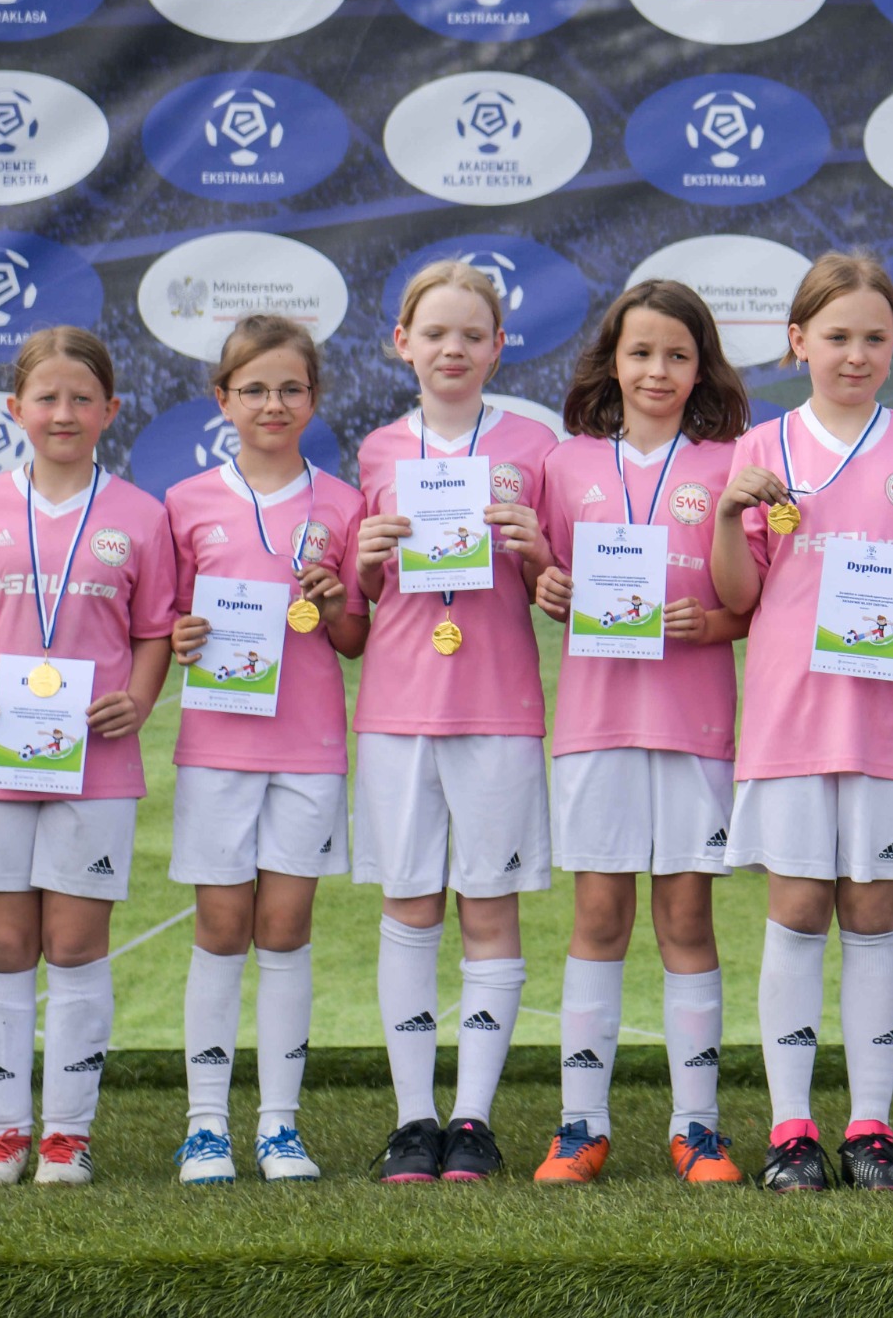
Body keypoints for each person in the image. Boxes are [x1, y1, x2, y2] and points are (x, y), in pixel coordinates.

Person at [711, 253, 893, 1194]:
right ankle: (791, 1129)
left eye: (873, 337)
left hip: (886, 719)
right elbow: (738, 595)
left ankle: (871, 1126)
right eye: (836, 336)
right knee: (796, 911)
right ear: (798, 341)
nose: (855, 354)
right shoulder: (762, 446)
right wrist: (726, 518)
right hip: (790, 716)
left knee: (873, 913)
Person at [530, 281, 755, 1187]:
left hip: (695, 724)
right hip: (596, 724)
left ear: (701, 367)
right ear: (611, 362)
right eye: (641, 353)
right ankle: (580, 1125)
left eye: (677, 355)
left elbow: (759, 602)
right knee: (597, 916)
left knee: (687, 920)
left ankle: (697, 1127)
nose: (657, 370)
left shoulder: (731, 463)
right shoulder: (565, 465)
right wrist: (548, 586)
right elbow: (550, 576)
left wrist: (718, 624)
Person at [0, 327, 178, 1185]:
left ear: (110, 409)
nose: (64, 412)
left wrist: (140, 699)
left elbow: (154, 629)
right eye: (47, 397)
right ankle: (1, 1132)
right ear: (16, 408)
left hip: (96, 758)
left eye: (82, 397)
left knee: (76, 946)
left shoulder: (142, 515)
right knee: (3, 944)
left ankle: (67, 1135)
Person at [351, 261, 558, 1183]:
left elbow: (555, 589)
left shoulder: (535, 447)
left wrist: (538, 550)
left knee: (489, 904)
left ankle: (472, 1118)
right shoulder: (376, 451)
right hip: (398, 708)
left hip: (499, 705)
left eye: (472, 334)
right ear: (403, 343)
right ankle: (412, 1118)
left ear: (498, 346)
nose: (453, 349)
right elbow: (360, 600)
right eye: (435, 333)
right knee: (408, 905)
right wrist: (364, 559)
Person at [162, 316, 368, 1185]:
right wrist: (180, 635)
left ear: (313, 399)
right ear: (223, 398)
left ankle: (279, 1124)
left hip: (309, 746)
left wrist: (336, 605)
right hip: (217, 745)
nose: (272, 403)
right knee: (220, 925)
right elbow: (166, 623)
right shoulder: (186, 502)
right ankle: (206, 1124)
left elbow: (354, 639)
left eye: (290, 388)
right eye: (253, 388)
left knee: (285, 928)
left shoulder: (344, 503)